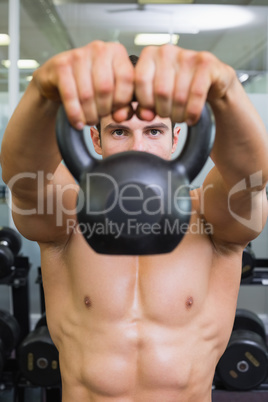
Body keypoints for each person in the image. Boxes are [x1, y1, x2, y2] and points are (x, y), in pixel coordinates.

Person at [1, 40, 268, 402]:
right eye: (120, 132)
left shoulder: (210, 217)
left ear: (177, 139)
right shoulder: (70, 217)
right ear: (96, 139)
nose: (137, 149)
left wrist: (223, 90)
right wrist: (44, 92)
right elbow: (25, 182)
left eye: (153, 131)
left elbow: (250, 179)